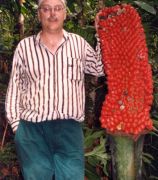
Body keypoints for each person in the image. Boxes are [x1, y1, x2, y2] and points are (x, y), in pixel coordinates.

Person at [5, 0, 104, 179]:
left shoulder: (78, 44)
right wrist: (16, 126)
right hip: (32, 131)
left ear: (65, 13)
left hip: (69, 130)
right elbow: (15, 87)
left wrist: (102, 34)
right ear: (39, 14)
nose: (52, 14)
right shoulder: (24, 47)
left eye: (58, 8)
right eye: (46, 9)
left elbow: (99, 68)